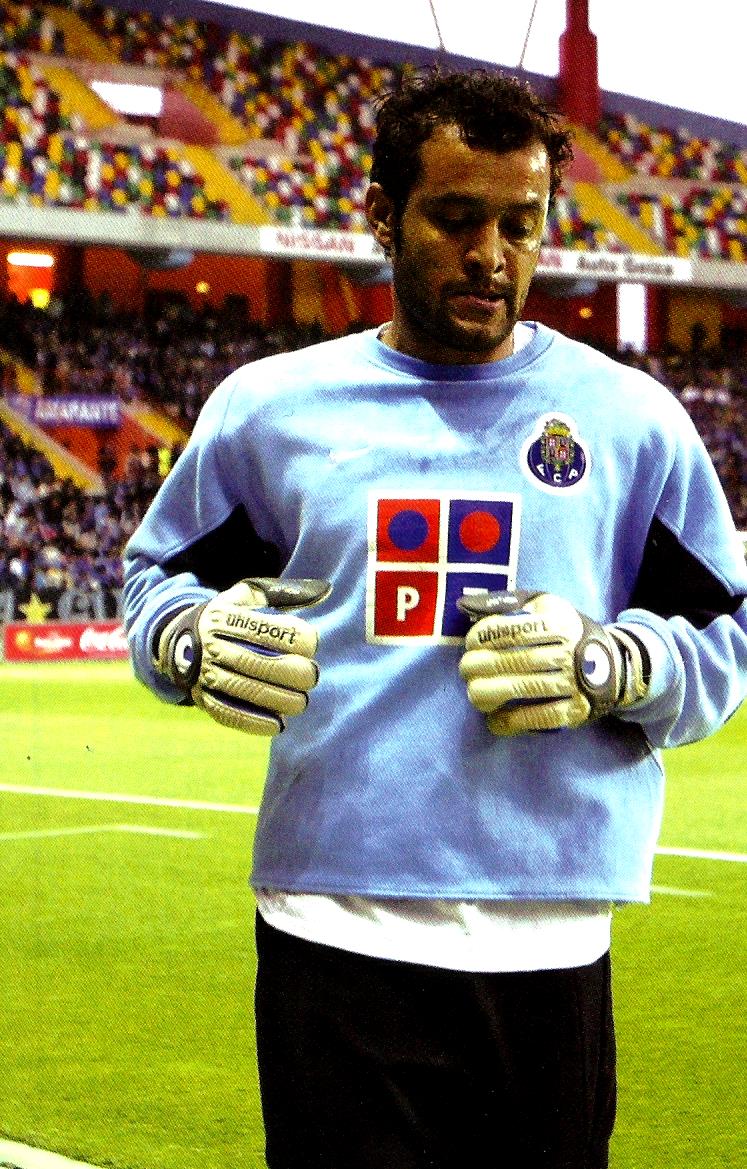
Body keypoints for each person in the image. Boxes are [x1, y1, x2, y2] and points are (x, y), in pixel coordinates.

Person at [122, 68, 747, 1169]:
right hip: (333, 925)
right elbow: (156, 580)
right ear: (382, 215)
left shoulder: (633, 420)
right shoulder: (270, 410)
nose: (490, 254)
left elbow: (725, 633)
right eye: (455, 218)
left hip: (553, 936)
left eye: (520, 224)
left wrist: (614, 663)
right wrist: (189, 638)